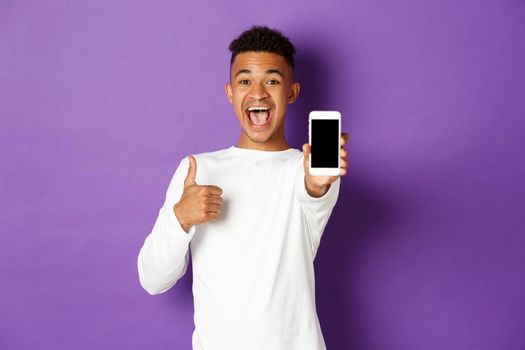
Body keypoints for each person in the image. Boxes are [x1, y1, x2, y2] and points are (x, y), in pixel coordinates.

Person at [137, 25, 350, 350]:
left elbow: (313, 190)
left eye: (272, 81)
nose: (259, 93)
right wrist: (181, 218)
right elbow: (152, 279)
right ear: (230, 92)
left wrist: (318, 182)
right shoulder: (198, 170)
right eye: (245, 81)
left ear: (291, 92)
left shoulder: (304, 170)